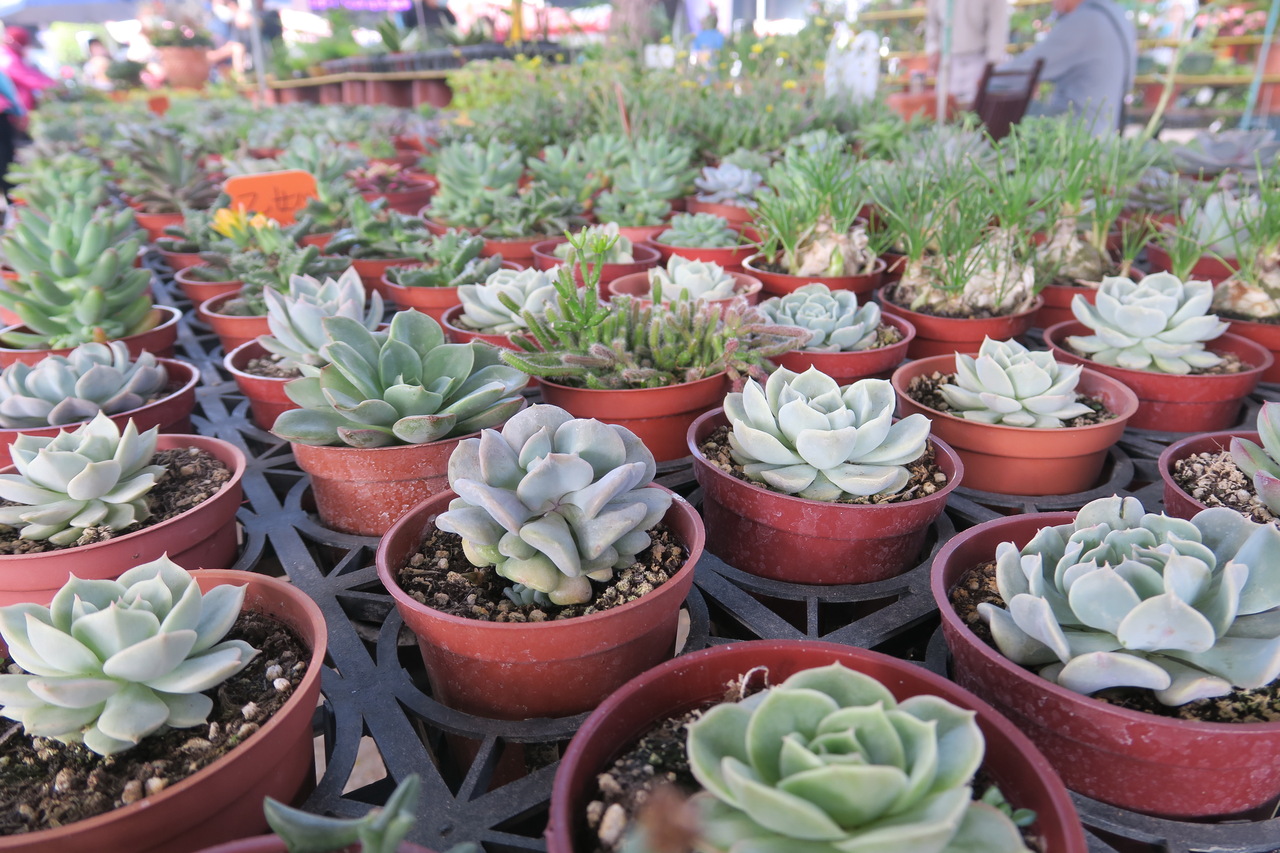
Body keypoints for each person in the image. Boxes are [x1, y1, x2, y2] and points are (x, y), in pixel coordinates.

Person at [996, 0, 1137, 136]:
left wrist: (982, 80)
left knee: (999, 101)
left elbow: (1019, 71)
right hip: (1106, 131)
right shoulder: (1116, 15)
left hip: (1078, 132)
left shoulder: (1086, 21)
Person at [924, 0, 1009, 106]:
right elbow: (932, 23)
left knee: (977, 112)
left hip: (979, 60)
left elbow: (997, 28)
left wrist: (991, 66)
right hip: (947, 62)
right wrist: (933, 50)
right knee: (945, 112)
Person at [0, 27, 54, 114]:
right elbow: (28, 78)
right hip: (10, 111)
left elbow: (30, 73)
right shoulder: (8, 59)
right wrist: (53, 85)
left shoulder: (11, 56)